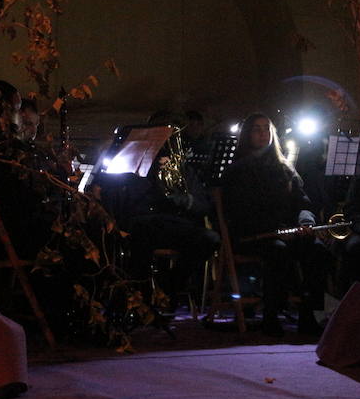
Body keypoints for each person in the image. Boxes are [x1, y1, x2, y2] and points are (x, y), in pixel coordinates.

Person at [221, 113, 329, 336]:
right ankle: (271, 316)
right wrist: (277, 230)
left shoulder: (285, 169)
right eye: (257, 129)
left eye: (266, 129)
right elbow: (241, 212)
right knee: (277, 251)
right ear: (247, 135)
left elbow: (303, 203)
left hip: (287, 233)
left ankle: (308, 316)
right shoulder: (237, 171)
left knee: (317, 250)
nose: (263, 134)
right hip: (255, 235)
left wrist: (306, 222)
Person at [96, 113, 220, 306]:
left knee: (209, 239)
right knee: (140, 237)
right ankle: (142, 298)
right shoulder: (131, 163)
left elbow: (203, 205)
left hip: (173, 224)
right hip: (141, 223)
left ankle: (169, 287)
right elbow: (108, 191)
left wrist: (185, 200)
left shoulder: (182, 168)